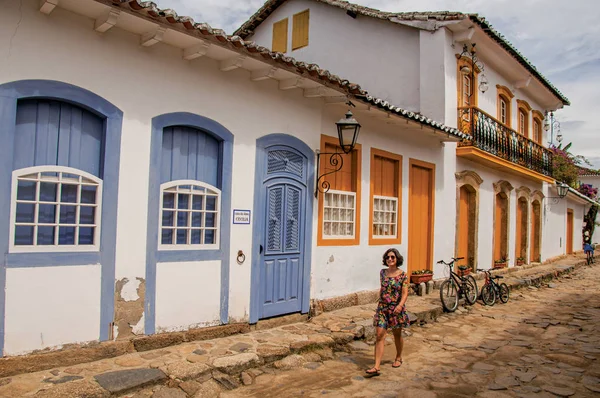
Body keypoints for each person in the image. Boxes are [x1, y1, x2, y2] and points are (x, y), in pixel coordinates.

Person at [365, 248, 410, 377]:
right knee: (379, 335)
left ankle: (398, 356)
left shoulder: (403, 275)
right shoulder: (382, 273)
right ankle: (376, 366)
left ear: (397, 259)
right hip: (383, 308)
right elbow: (383, 288)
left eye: (392, 257)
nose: (390, 259)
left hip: (396, 309)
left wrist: (400, 306)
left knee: (397, 334)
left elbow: (405, 293)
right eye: (387, 257)